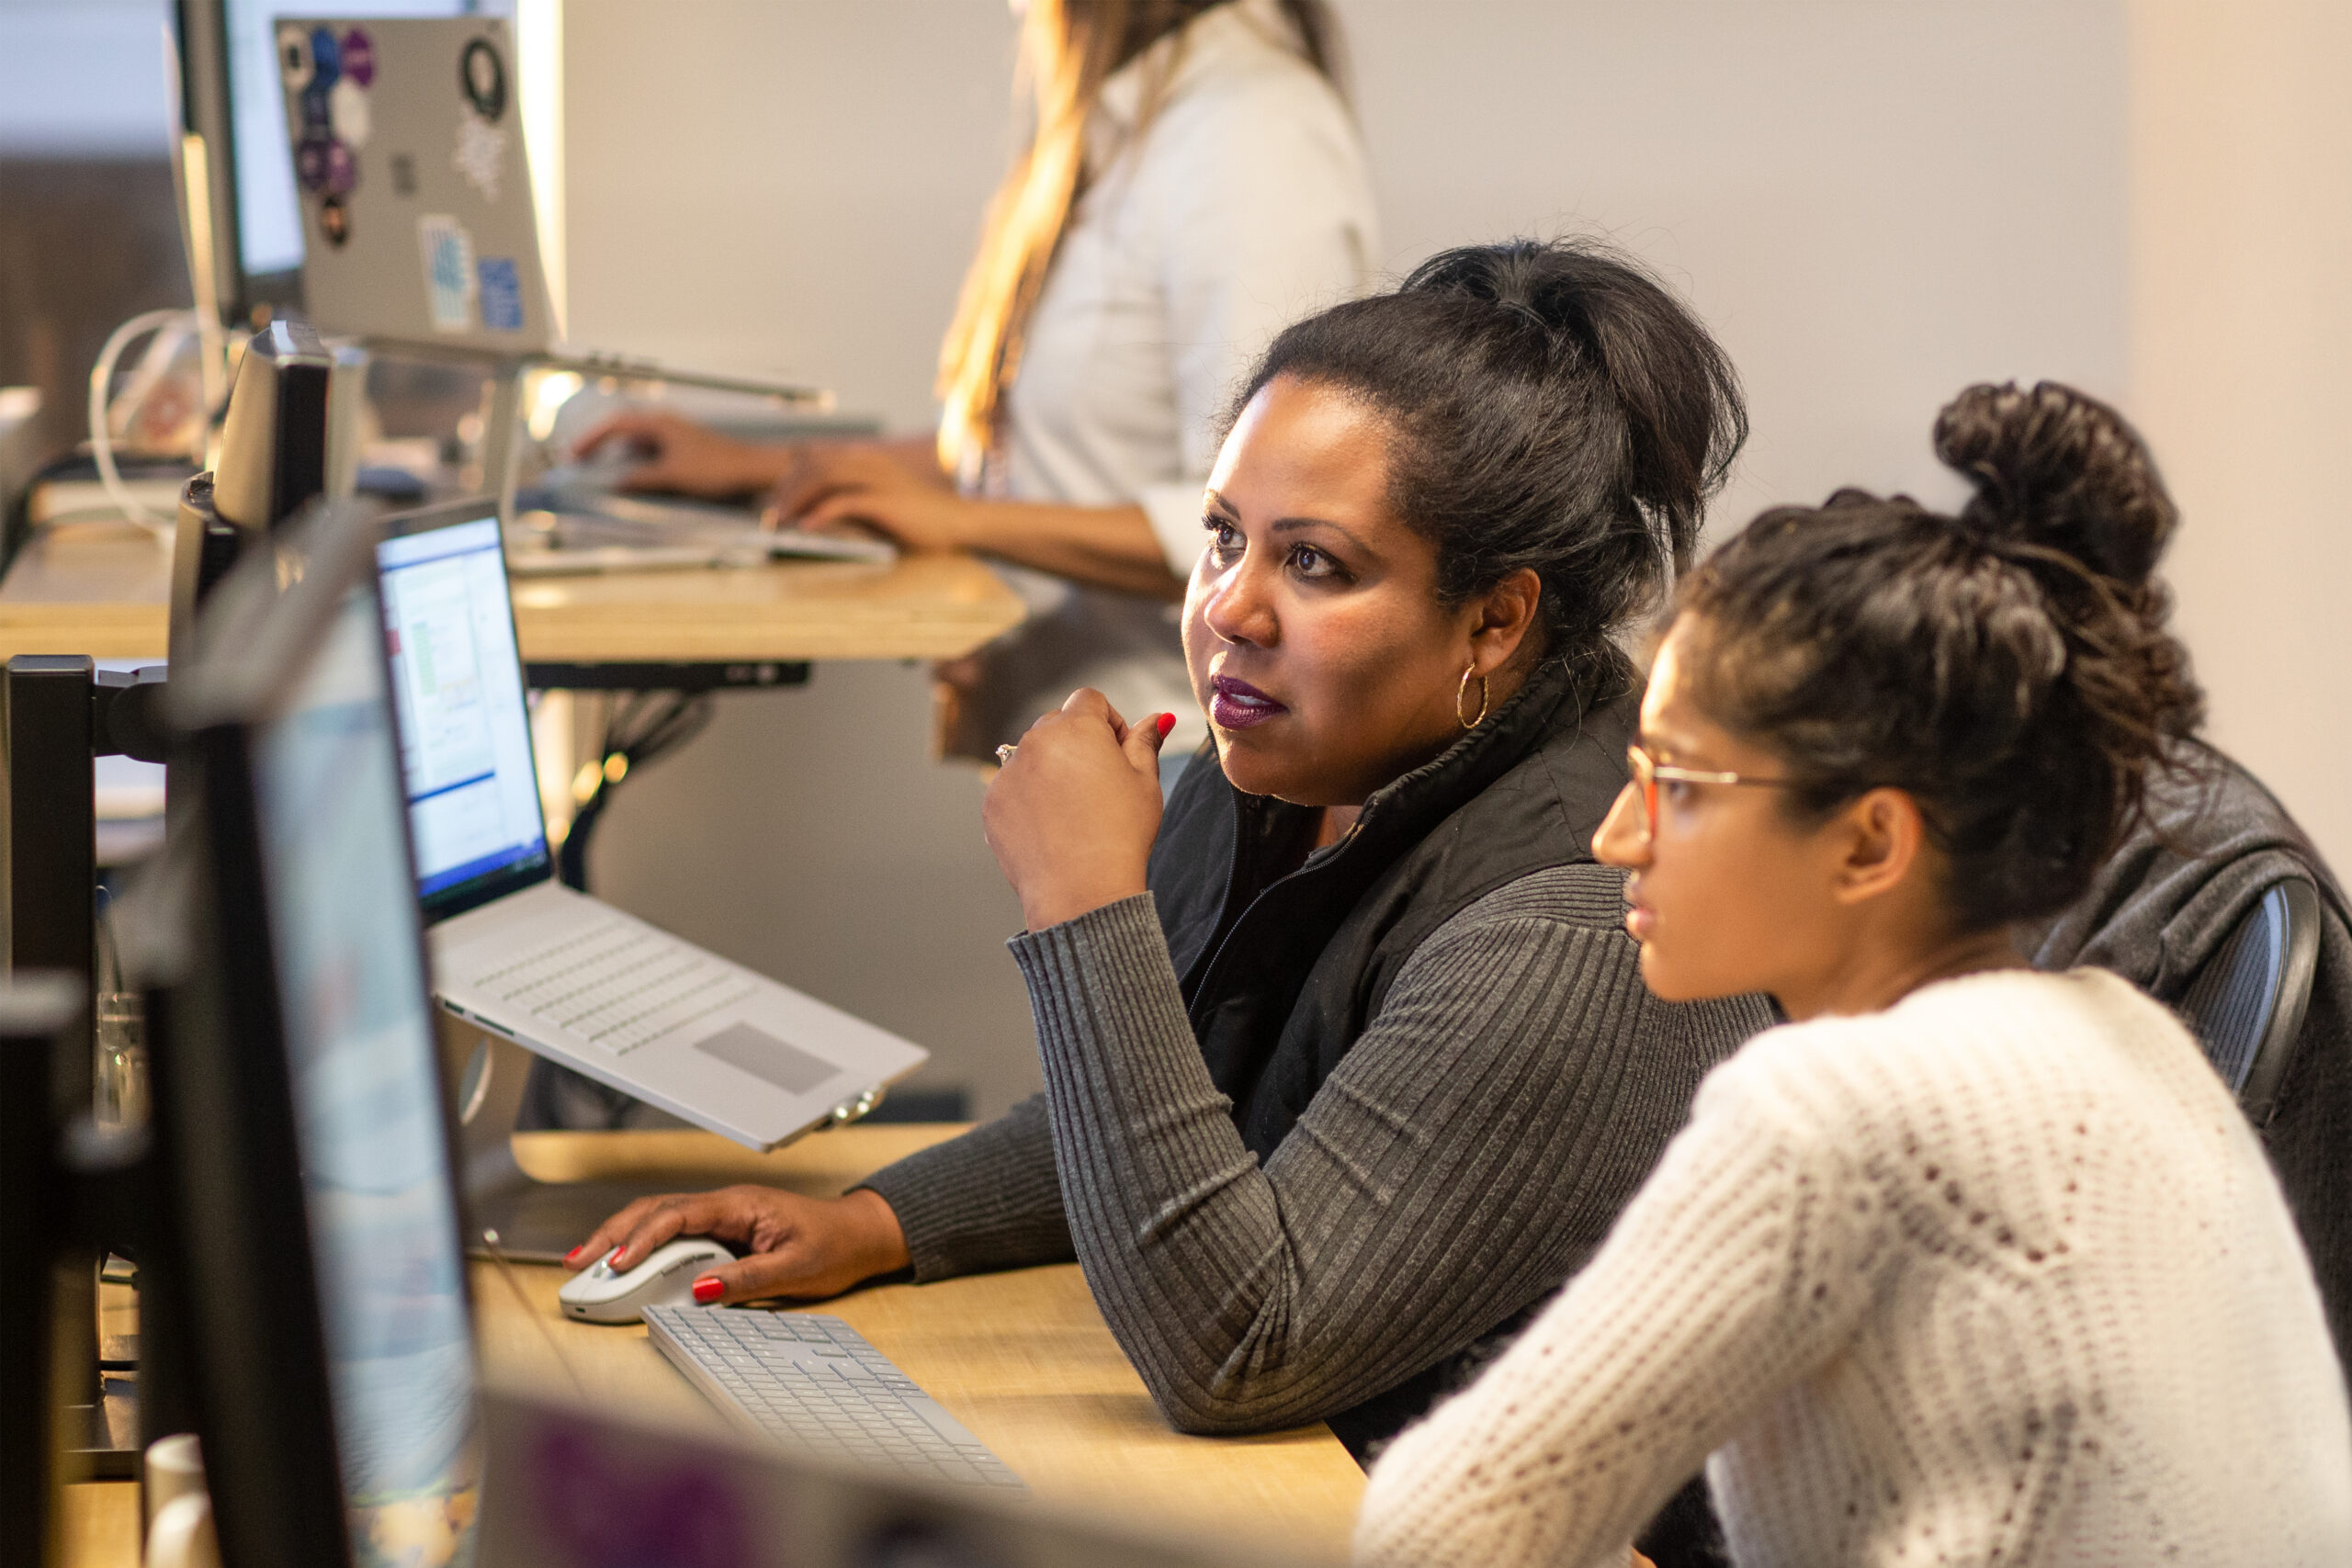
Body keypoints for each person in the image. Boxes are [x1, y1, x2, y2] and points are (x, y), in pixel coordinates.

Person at [569, 239, 1776, 1469]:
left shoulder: (1579, 928)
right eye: (1222, 536)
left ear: (1496, 616)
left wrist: (1083, 902)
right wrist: (876, 1219)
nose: (1229, 612)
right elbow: (1184, 1109)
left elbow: (1240, 1344)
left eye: (1315, 563)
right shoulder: (1293, 769)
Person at [1353, 382, 2352, 1568]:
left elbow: (1441, 1530)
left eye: (1675, 783)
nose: (1618, 833)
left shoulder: (1834, 1109)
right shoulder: (2143, 1048)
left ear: (1871, 840)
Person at [576, 0, 1379, 761]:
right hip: (1080, 754)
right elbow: (1041, 457)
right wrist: (759, 468)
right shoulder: (1139, 120)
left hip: (1177, 766)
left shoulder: (1251, 132)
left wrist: (961, 523)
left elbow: (1275, 522)